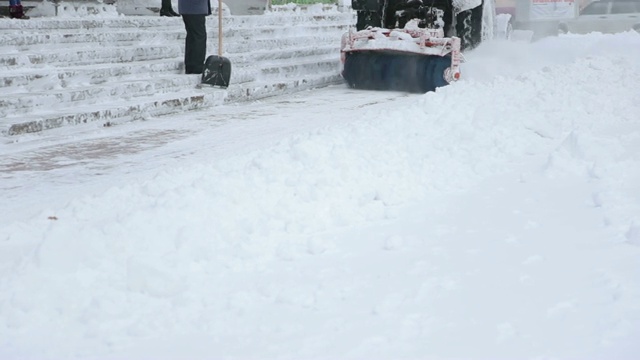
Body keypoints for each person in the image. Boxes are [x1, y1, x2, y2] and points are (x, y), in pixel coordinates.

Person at [178, 0, 211, 74]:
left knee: (193, 37)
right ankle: (196, 66)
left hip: (190, 8)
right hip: (195, 8)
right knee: (198, 37)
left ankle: (191, 66)